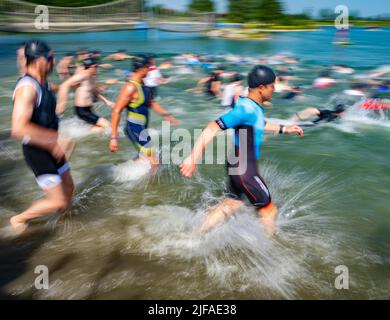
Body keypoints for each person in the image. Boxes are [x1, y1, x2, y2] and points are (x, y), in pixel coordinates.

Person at [180, 66, 303, 235]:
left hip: (238, 164)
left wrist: (284, 129)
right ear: (261, 88)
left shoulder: (251, 105)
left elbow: (260, 123)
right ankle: (267, 250)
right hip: (245, 168)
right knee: (269, 210)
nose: (274, 89)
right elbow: (211, 127)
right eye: (271, 86)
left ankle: (193, 236)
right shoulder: (245, 109)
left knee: (232, 203)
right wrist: (192, 158)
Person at [10, 40, 75, 234]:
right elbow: (18, 128)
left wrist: (69, 85)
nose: (54, 62)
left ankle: (64, 224)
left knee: (69, 187)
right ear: (38, 60)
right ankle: (19, 218)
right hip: (38, 150)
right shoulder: (27, 88)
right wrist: (54, 140)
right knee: (58, 200)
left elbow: (55, 97)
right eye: (50, 58)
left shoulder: (44, 82)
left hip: (51, 145)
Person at [109, 54, 180, 167]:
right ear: (142, 68)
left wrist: (167, 115)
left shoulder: (144, 85)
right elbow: (116, 111)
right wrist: (114, 137)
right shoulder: (130, 87)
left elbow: (151, 103)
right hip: (134, 129)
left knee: (144, 156)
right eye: (149, 67)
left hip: (142, 129)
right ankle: (154, 184)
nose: (151, 70)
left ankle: (124, 171)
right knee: (155, 162)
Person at [57, 57, 114, 134]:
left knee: (100, 128)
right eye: (96, 66)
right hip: (82, 110)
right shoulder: (82, 76)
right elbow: (65, 85)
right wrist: (62, 103)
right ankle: (80, 133)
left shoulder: (91, 78)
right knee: (108, 126)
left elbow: (95, 92)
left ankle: (82, 133)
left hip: (88, 109)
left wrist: (107, 101)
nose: (97, 69)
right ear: (91, 67)